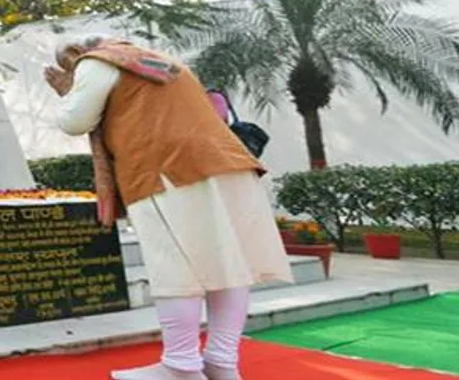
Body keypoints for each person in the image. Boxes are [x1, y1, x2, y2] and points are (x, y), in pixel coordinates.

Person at [44, 36, 291, 380]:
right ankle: (221, 359)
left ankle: (181, 365)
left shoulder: (98, 61)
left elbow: (75, 121)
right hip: (227, 164)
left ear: (75, 54)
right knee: (230, 265)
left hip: (166, 171)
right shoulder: (160, 58)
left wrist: (70, 90)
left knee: (175, 267)